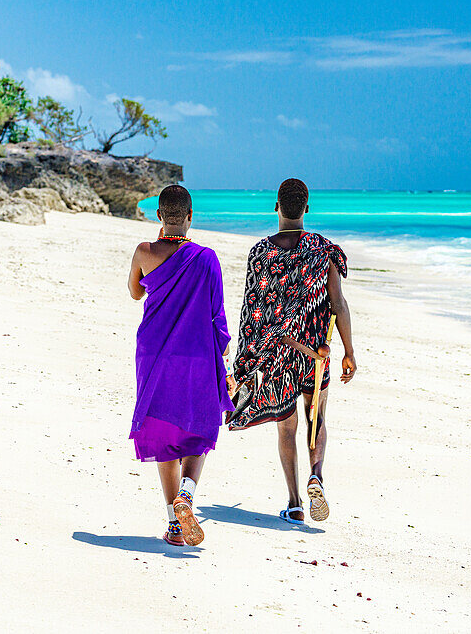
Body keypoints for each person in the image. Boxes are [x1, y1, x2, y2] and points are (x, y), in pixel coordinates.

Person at [227, 178, 356, 524]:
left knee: (287, 429)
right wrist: (349, 351)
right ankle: (317, 475)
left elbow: (252, 314)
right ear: (307, 209)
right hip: (315, 353)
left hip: (278, 358)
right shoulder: (324, 250)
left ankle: (296, 502)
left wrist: (244, 363)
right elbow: (338, 303)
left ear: (277, 208)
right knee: (317, 419)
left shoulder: (260, 253)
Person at [127, 184, 233, 546]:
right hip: (197, 354)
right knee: (198, 428)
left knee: (163, 433)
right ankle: (186, 493)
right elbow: (217, 316)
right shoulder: (207, 258)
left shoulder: (144, 250)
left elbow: (135, 291)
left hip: (154, 352)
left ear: (159, 217)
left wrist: (158, 248)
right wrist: (224, 363)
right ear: (190, 217)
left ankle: (174, 522)